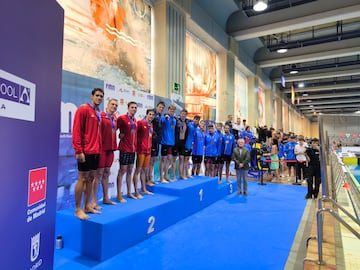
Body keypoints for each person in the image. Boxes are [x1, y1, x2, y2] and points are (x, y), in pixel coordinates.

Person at [72, 88, 104, 220]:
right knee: (82, 178)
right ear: (91, 96)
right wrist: (79, 150)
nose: (99, 98)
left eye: (101, 96)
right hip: (85, 151)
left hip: (95, 151)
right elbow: (77, 130)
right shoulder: (83, 109)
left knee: (91, 178)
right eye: (97, 95)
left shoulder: (98, 113)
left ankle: (87, 205)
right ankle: (78, 209)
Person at [91, 98, 118, 210]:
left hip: (110, 150)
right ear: (107, 105)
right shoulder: (101, 116)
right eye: (112, 104)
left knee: (106, 173)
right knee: (98, 174)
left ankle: (106, 197)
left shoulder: (115, 118)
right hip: (101, 149)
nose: (114, 106)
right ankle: (93, 201)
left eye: (116, 105)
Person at [116, 101, 138, 201]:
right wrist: (118, 135)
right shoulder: (122, 118)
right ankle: (119, 195)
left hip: (132, 149)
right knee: (122, 171)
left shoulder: (135, 120)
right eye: (132, 107)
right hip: (124, 148)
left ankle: (129, 192)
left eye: (135, 108)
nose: (134, 109)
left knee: (130, 170)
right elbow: (113, 128)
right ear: (128, 108)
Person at [133, 109, 155, 198]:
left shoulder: (151, 125)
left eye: (153, 115)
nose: (151, 116)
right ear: (146, 115)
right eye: (150, 114)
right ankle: (135, 191)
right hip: (141, 150)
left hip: (148, 151)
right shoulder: (140, 123)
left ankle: (143, 189)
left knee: (144, 171)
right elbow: (134, 134)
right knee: (138, 170)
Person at [148, 101, 165, 185]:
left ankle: (150, 178)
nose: (161, 109)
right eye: (160, 107)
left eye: (162, 108)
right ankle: (148, 179)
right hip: (152, 141)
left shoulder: (160, 116)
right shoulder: (153, 115)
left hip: (158, 141)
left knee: (154, 160)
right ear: (157, 106)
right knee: (151, 160)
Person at [159, 104, 177, 183]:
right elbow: (161, 121)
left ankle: (166, 176)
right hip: (164, 141)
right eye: (170, 110)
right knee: (163, 159)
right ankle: (161, 177)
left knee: (169, 159)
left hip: (171, 142)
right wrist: (165, 118)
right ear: (168, 110)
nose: (172, 112)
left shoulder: (174, 120)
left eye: (173, 110)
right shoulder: (165, 117)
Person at [175, 109, 190, 180]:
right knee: (173, 159)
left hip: (183, 142)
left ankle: (181, 174)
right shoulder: (176, 120)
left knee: (182, 159)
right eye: (182, 113)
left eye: (185, 114)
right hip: (176, 142)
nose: (183, 115)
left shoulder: (187, 122)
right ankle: (174, 176)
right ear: (180, 114)